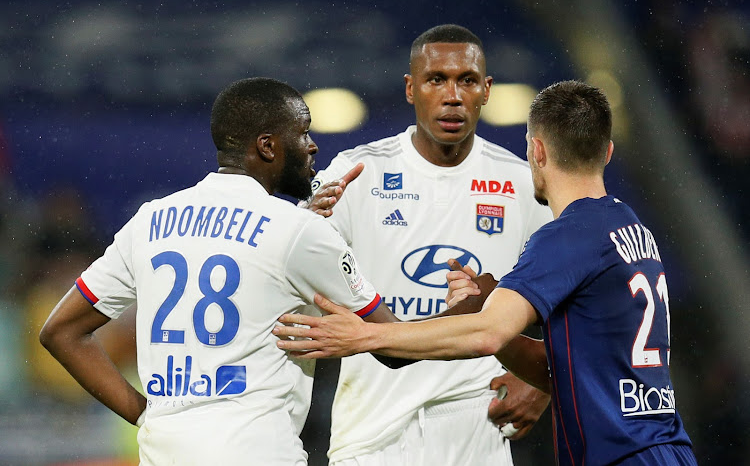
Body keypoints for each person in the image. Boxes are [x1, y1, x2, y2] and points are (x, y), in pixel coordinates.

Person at [276, 80, 699, 466]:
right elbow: (565, 367)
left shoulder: (568, 236)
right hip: (664, 446)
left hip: (622, 454)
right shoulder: (630, 227)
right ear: (607, 152)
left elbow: (486, 334)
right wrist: (491, 306)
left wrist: (363, 336)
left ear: (537, 151)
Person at [38, 77, 401, 465]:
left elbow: (61, 332)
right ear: (267, 146)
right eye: (303, 133)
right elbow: (396, 347)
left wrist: (147, 417)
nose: (312, 146)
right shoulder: (299, 231)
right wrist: (469, 309)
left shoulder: (150, 220)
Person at [302, 24, 552, 466]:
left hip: (478, 432)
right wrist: (303, 220)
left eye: (467, 80)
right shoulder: (356, 172)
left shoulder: (520, 182)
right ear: (410, 88)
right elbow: (291, 265)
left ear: (487, 90)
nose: (452, 95)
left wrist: (543, 382)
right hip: (370, 433)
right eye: (436, 79)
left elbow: (576, 296)